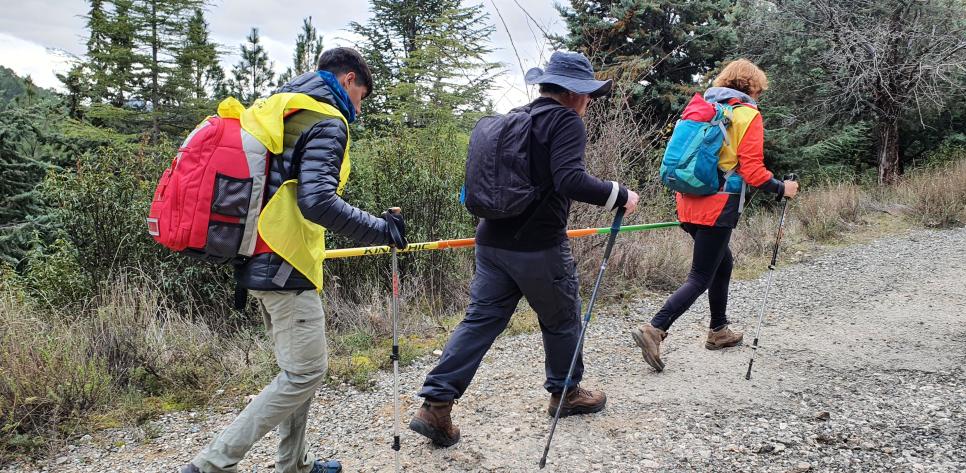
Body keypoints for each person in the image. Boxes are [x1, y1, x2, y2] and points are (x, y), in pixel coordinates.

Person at [180, 47, 407, 473]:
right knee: (304, 374)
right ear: (348, 81)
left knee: (297, 372)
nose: (359, 107)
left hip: (259, 257)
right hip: (285, 262)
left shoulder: (281, 108)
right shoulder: (326, 119)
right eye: (362, 96)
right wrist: (380, 229)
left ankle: (295, 465)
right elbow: (317, 201)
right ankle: (211, 464)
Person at [408, 51, 640, 447]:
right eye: (587, 95)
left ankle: (436, 404)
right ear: (573, 93)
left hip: (491, 242)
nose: (588, 103)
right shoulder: (565, 120)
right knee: (562, 318)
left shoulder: (513, 118)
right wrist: (619, 195)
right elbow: (571, 180)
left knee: (480, 321)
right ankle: (565, 393)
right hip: (538, 247)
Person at [631, 59, 799, 372]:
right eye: (758, 90)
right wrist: (782, 188)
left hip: (686, 202)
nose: (759, 95)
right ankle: (655, 329)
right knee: (700, 276)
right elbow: (753, 171)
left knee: (724, 262)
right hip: (717, 206)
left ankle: (718, 330)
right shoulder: (747, 114)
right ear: (751, 87)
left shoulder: (703, 108)